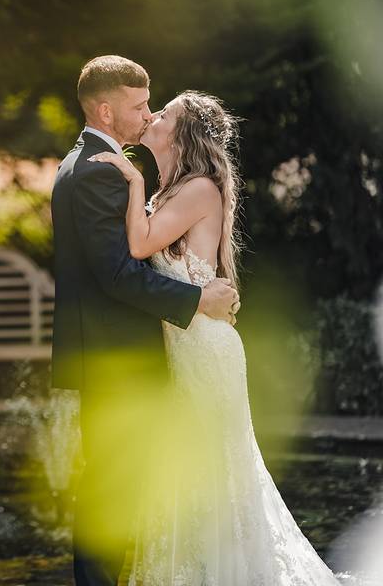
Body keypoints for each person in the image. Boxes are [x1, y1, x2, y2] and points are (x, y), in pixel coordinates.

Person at [90, 89, 341, 585]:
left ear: (181, 136)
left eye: (166, 114)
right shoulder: (172, 193)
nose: (154, 116)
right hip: (187, 348)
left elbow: (139, 246)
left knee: (215, 472)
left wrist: (133, 179)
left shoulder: (199, 188)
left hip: (206, 352)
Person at [50, 55, 239, 586]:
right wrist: (197, 301)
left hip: (116, 357)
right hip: (117, 362)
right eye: (138, 106)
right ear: (106, 112)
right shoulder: (96, 173)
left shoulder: (90, 165)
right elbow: (117, 275)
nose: (147, 114)